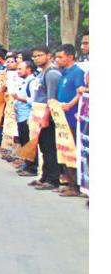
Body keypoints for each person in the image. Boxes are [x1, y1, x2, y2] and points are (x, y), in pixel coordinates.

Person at [53, 43, 86, 197]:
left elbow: (81, 93)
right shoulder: (64, 73)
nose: (57, 60)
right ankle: (68, 181)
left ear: (70, 57)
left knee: (72, 151)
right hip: (62, 119)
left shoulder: (77, 72)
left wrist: (69, 105)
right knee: (64, 150)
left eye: (60, 57)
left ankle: (75, 185)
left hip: (72, 118)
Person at [29, 45, 62, 191]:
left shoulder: (52, 74)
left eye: (39, 55)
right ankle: (44, 176)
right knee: (43, 146)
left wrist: (46, 118)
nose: (36, 58)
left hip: (48, 116)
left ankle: (52, 179)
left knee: (49, 148)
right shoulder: (41, 73)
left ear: (48, 55)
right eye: (34, 56)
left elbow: (51, 98)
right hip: (38, 114)